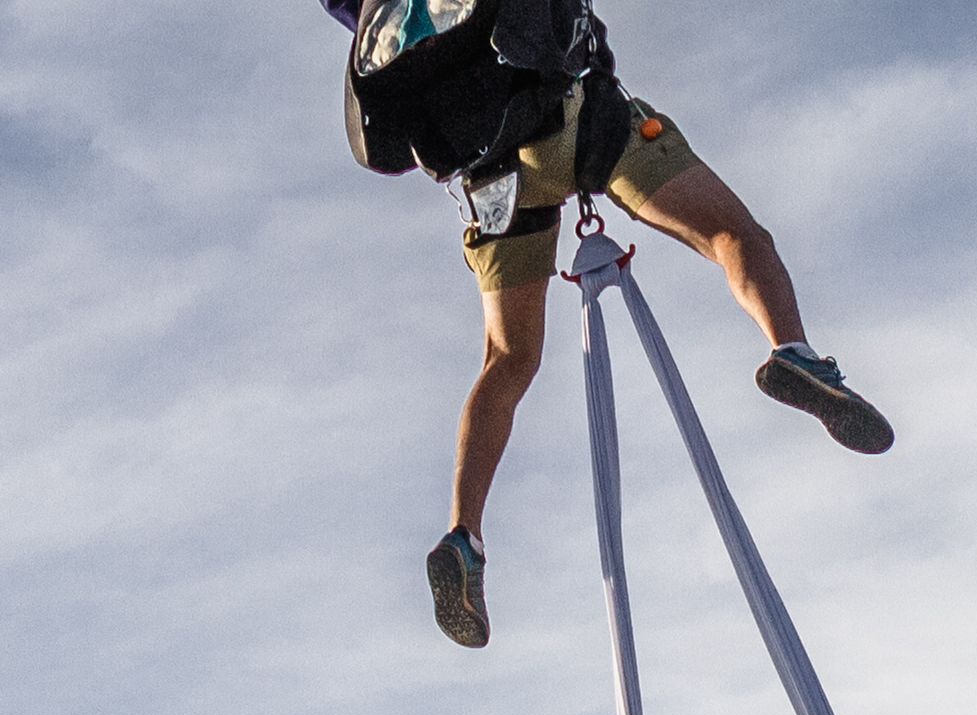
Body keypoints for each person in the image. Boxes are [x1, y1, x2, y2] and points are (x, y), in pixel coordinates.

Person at [318, 0, 894, 648]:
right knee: (735, 233)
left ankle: (463, 534)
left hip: (496, 181)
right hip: (584, 122)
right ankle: (792, 351)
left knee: (506, 360)